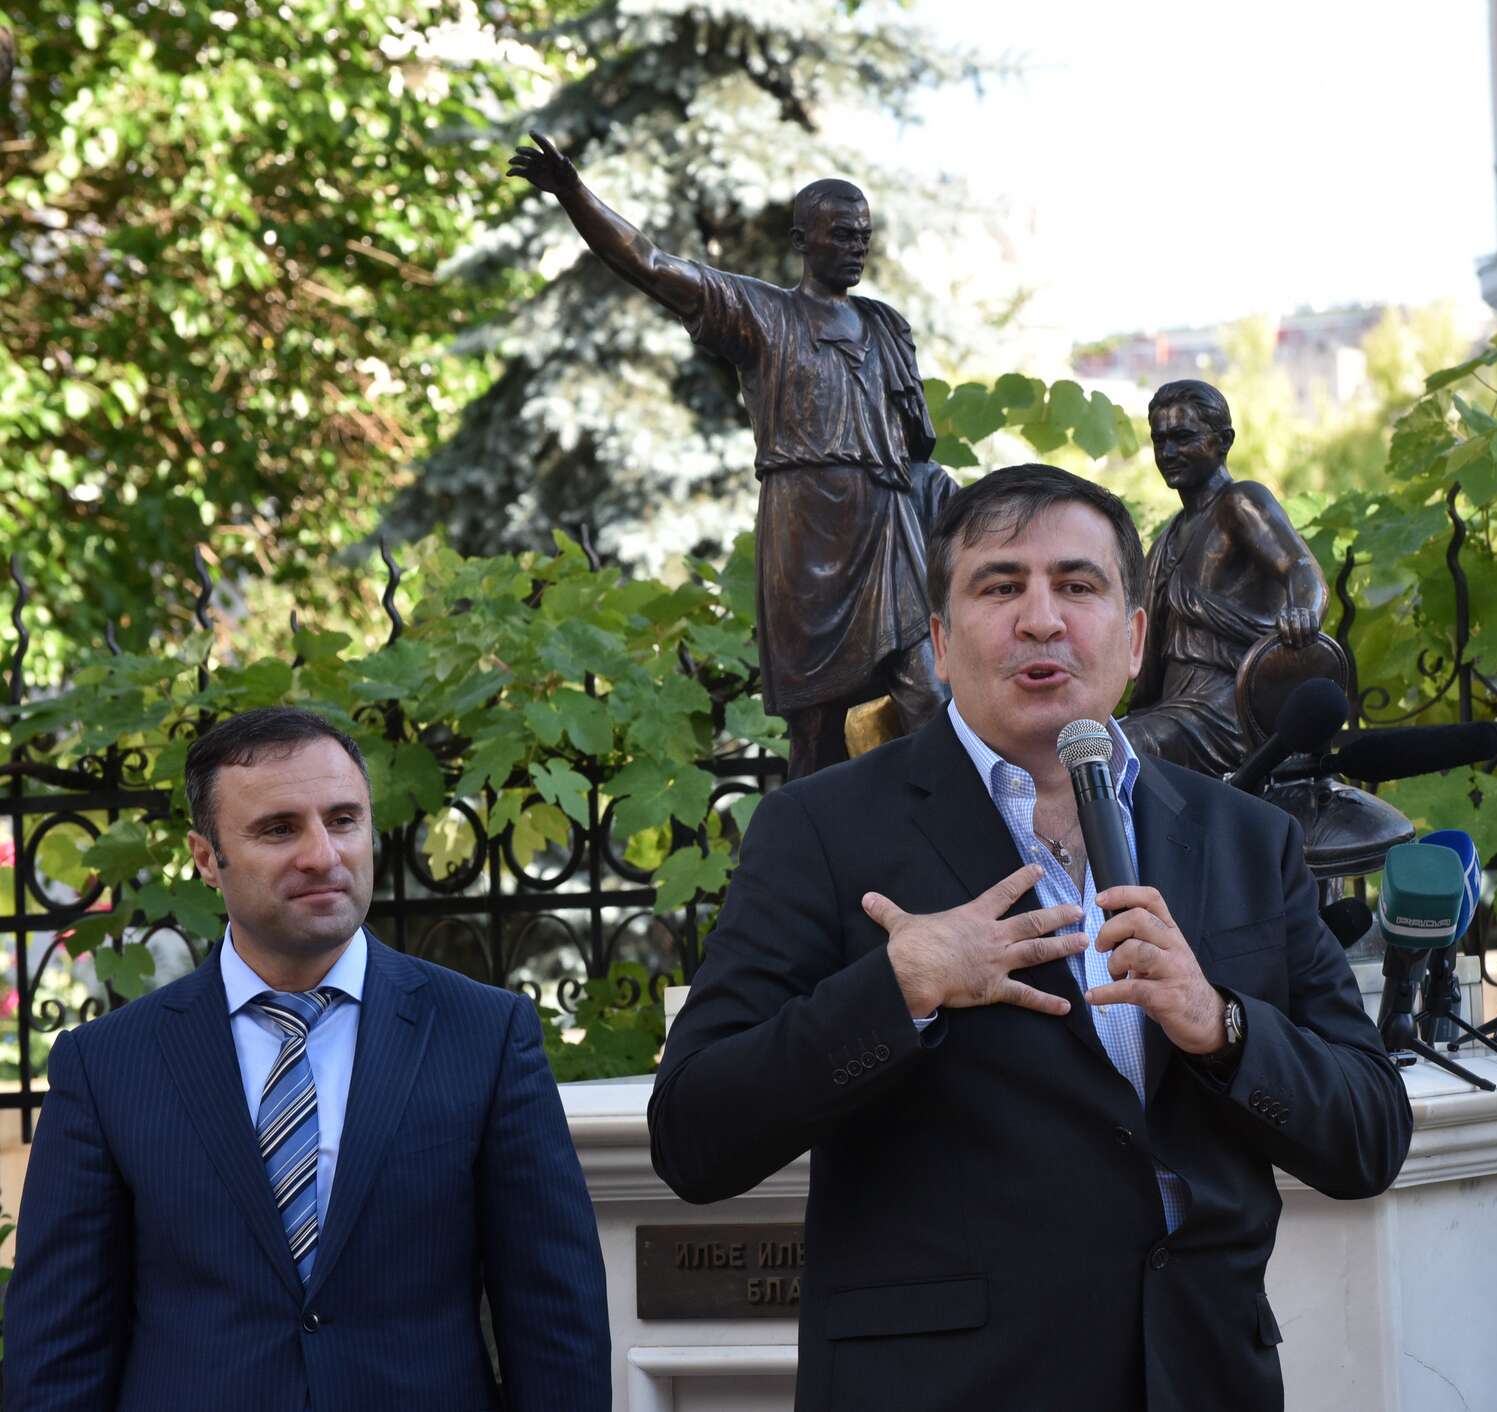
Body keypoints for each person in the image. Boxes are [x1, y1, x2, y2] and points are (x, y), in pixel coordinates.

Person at [650, 464, 1413, 1412]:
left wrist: (1221, 1026)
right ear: (940, 643)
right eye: (1001, 586)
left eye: (1078, 585)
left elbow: (1370, 1136)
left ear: (1136, 638)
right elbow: (693, 1136)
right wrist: (899, 988)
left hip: (1202, 1379)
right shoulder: (823, 830)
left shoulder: (1244, 837)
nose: (1042, 619)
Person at [5, 707, 611, 1411]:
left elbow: (555, 1319)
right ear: (206, 859)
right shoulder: (106, 1067)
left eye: (344, 820)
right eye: (278, 828)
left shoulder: (484, 1035)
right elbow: (57, 1350)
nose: (323, 854)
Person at [509, 132, 950, 779]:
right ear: (801, 241)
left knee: (929, 693)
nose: (857, 246)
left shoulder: (885, 327)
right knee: (817, 729)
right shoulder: (763, 314)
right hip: (807, 537)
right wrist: (575, 194)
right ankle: (809, 837)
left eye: (863, 235)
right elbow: (652, 265)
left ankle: (944, 824)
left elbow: (915, 450)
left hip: (888, 529)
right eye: (841, 234)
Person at [1122, 378, 1329, 777]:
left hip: (1227, 710)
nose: (1167, 452)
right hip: (1173, 706)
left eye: (1183, 437)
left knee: (1120, 747)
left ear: (1223, 441)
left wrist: (1304, 611)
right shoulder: (1169, 536)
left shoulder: (1240, 502)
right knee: (1090, 741)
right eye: (1159, 440)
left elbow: (1300, 568)